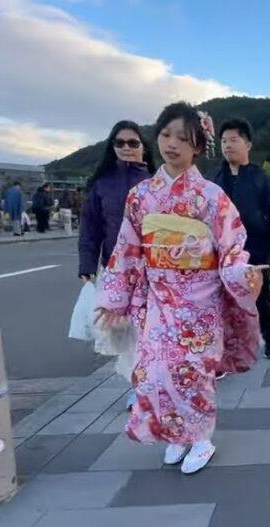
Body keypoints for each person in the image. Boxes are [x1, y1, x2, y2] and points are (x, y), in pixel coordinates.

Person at [95, 101, 265, 474]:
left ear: (198, 148)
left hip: (200, 297)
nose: (172, 144)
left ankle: (201, 438)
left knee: (192, 370)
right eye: (166, 134)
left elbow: (231, 246)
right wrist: (114, 297)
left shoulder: (211, 197)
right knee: (154, 371)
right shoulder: (141, 196)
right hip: (158, 295)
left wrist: (242, 274)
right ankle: (177, 435)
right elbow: (128, 247)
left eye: (183, 138)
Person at [78, 119, 156, 410]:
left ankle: (149, 384)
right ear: (113, 147)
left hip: (152, 270)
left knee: (149, 331)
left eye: (133, 142)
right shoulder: (101, 184)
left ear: (143, 148)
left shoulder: (156, 181)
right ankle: (138, 385)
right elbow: (90, 228)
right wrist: (86, 264)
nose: (126, 147)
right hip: (115, 270)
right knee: (125, 333)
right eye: (120, 143)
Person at [212, 118, 270, 358]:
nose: (227, 145)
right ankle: (227, 347)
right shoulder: (214, 179)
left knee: (262, 297)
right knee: (221, 299)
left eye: (234, 140)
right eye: (223, 141)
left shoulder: (261, 179)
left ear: (248, 144)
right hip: (222, 253)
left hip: (256, 251)